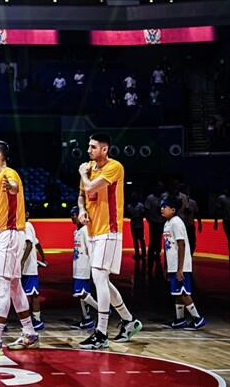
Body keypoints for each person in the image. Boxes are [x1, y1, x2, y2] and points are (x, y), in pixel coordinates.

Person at [0, 141, 39, 358]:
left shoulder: (9, 174)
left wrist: (11, 187)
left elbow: (14, 186)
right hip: (4, 234)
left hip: (10, 234)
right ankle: (29, 333)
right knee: (14, 286)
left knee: (1, 285)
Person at [77, 133, 142, 350]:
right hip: (92, 230)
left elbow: (89, 188)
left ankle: (101, 333)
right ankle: (128, 320)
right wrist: (82, 209)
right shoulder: (89, 168)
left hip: (109, 230)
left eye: (93, 147)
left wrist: (83, 174)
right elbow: (81, 194)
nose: (89, 150)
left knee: (99, 277)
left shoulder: (115, 167)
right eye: (89, 146)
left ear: (105, 150)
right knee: (102, 279)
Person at [161, 198, 206, 329]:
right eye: (162, 206)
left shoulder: (177, 222)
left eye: (165, 206)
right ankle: (179, 319)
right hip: (173, 264)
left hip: (181, 265)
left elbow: (181, 244)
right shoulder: (167, 223)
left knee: (183, 292)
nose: (162, 209)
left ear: (173, 210)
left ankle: (197, 318)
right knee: (176, 292)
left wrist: (180, 269)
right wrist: (167, 267)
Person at [70, 207, 97, 330]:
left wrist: (92, 266)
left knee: (81, 293)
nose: (72, 217)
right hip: (77, 267)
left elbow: (91, 250)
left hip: (84, 267)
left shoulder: (86, 230)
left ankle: (102, 310)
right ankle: (86, 320)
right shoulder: (77, 232)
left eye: (74, 215)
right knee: (81, 295)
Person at [20, 209, 45, 332]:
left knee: (33, 294)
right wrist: (43, 258)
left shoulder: (27, 225)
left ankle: (37, 319)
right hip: (26, 268)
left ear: (27, 214)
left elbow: (30, 245)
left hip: (28, 268)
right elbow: (38, 243)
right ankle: (31, 318)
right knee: (25, 294)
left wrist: (22, 261)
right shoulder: (22, 227)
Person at [177, 186, 203, 255]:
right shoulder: (179, 201)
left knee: (192, 242)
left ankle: (190, 255)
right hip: (182, 225)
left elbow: (197, 213)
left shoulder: (193, 202)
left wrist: (200, 224)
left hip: (190, 225)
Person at [127, 194, 146, 260]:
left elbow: (144, 213)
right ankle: (137, 253)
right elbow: (128, 214)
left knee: (141, 240)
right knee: (135, 240)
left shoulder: (140, 205)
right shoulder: (129, 206)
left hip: (140, 225)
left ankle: (144, 253)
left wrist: (139, 217)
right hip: (133, 225)